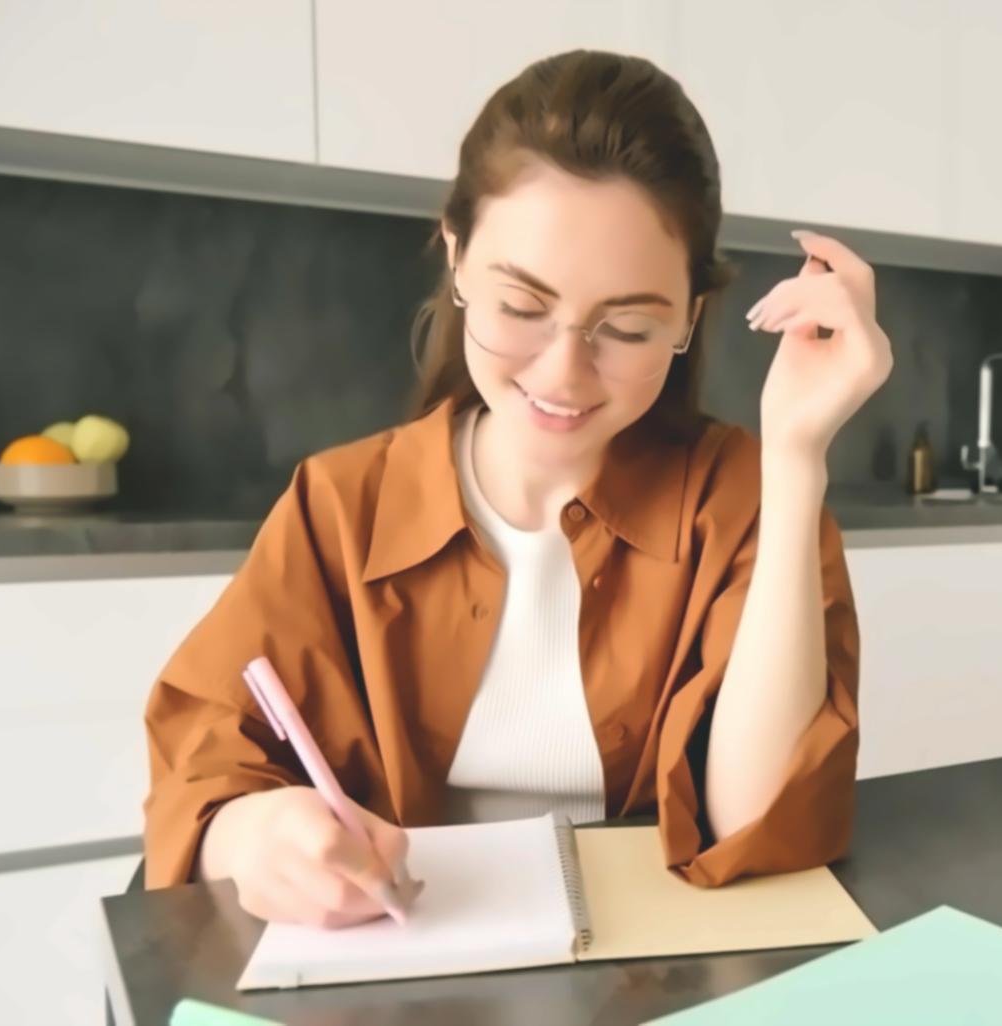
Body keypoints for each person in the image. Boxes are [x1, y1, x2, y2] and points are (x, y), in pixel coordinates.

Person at [139, 49, 891, 928]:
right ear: (457, 257)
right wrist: (254, 835)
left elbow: (760, 823)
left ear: (690, 315)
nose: (565, 373)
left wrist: (796, 459)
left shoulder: (739, 501)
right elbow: (205, 761)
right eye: (522, 309)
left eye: (628, 326)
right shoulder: (340, 505)